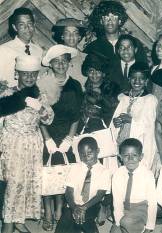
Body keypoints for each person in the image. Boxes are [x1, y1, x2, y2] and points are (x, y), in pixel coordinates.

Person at [0, 55, 54, 233]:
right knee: (13, 185)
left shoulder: (40, 95)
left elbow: (48, 119)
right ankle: (8, 225)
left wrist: (40, 109)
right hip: (12, 146)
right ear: (17, 74)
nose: (30, 78)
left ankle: (19, 221)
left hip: (32, 146)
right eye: (25, 74)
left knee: (27, 183)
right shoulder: (8, 94)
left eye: (33, 74)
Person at [38, 44, 83, 231]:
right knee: (46, 174)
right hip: (47, 134)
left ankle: (59, 211)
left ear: (68, 63)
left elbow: (77, 115)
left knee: (64, 174)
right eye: (56, 61)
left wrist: (69, 139)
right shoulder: (42, 83)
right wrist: (47, 138)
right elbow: (38, 114)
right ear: (50, 64)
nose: (60, 65)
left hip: (66, 134)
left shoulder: (74, 85)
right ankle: (47, 213)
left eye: (64, 61)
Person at [107, 62, 157, 172]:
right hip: (121, 141)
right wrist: (116, 123)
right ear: (129, 79)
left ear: (146, 81)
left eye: (141, 78)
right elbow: (113, 122)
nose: (137, 81)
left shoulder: (150, 100)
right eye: (134, 78)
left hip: (138, 143)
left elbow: (149, 126)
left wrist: (131, 121)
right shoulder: (123, 98)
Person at [55, 137, 111, 233]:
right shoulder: (75, 168)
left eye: (89, 153)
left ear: (97, 151)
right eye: (82, 154)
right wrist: (74, 207)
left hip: (92, 205)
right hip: (73, 204)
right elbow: (69, 191)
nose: (86, 157)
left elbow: (99, 195)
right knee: (66, 219)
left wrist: (83, 208)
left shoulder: (104, 171)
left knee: (84, 219)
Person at [110, 138, 157, 233]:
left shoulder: (147, 175)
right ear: (120, 157)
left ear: (141, 156)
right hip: (124, 208)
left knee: (127, 222)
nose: (130, 159)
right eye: (126, 155)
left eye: (134, 155)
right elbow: (117, 201)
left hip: (141, 209)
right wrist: (118, 223)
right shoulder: (118, 174)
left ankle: (141, 228)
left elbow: (152, 203)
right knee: (115, 231)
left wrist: (150, 226)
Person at [0, 7, 43, 87]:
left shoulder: (39, 51)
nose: (27, 28)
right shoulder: (3, 50)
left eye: (29, 23)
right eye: (21, 25)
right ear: (15, 27)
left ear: (34, 25)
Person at [78, 54, 120, 133]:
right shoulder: (84, 89)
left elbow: (115, 110)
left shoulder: (113, 88)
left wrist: (100, 98)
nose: (94, 74)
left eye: (98, 71)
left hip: (106, 129)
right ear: (87, 72)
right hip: (85, 129)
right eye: (91, 71)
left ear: (103, 73)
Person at [52, 18, 88, 90]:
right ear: (62, 36)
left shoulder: (86, 59)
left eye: (75, 33)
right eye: (67, 33)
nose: (71, 37)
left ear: (79, 37)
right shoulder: (52, 57)